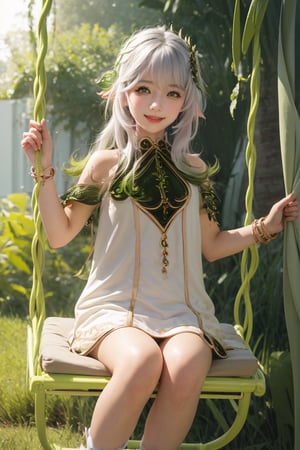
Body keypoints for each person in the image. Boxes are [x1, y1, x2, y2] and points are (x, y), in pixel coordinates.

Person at [21, 26, 298, 450]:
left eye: (172, 93)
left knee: (187, 367)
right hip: (115, 311)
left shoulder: (193, 170)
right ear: (122, 92)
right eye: (143, 88)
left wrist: (265, 226)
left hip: (183, 314)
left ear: (187, 100)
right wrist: (44, 172)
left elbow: (212, 245)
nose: (155, 104)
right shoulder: (106, 164)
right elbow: (59, 235)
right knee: (141, 363)